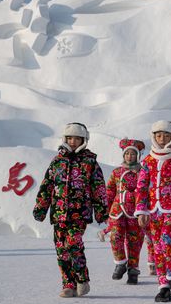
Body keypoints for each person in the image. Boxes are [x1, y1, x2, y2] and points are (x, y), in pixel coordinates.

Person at [33, 122, 108, 298]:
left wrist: (101, 211)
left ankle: (82, 278)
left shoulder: (90, 162)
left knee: (73, 243)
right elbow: (47, 186)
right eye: (69, 138)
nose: (73, 141)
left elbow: (98, 187)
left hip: (79, 213)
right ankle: (68, 284)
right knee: (61, 250)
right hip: (59, 213)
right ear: (64, 139)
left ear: (84, 139)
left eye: (77, 138)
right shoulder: (57, 161)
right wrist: (41, 208)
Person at [134, 121, 171, 302]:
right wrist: (141, 210)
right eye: (159, 135)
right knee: (157, 248)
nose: (162, 139)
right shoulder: (149, 160)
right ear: (154, 136)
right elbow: (142, 186)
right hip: (154, 211)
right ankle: (164, 287)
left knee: (167, 243)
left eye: (167, 136)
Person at [105, 138, 146, 284]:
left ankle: (133, 270)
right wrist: (105, 211)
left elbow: (148, 191)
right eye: (127, 153)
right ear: (123, 155)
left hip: (136, 212)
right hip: (117, 210)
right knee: (115, 236)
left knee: (134, 242)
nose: (130, 156)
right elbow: (109, 192)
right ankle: (120, 262)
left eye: (133, 154)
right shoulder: (116, 172)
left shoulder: (143, 172)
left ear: (138, 156)